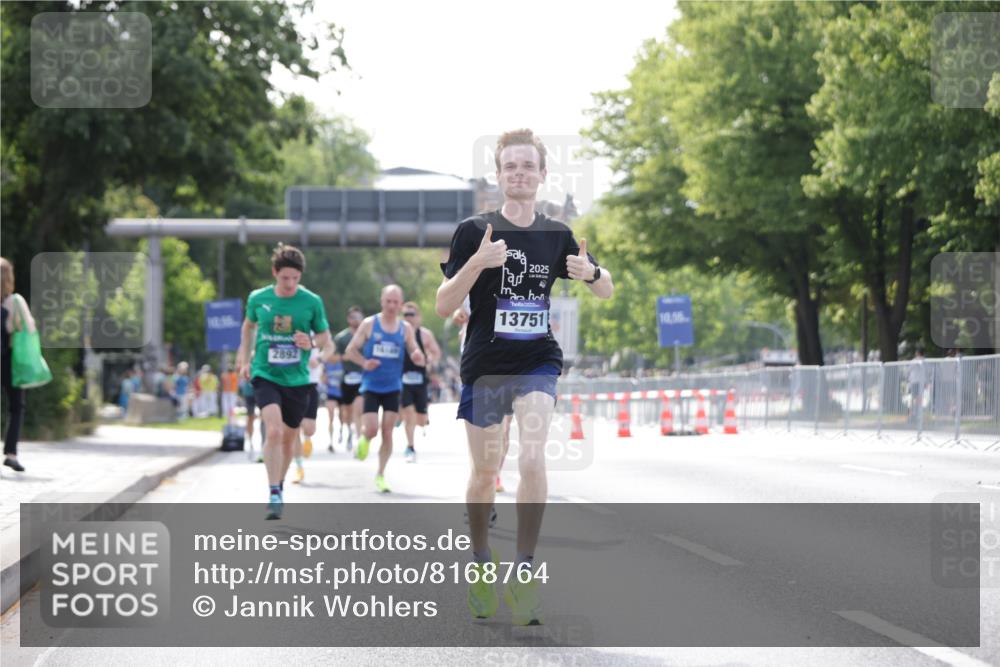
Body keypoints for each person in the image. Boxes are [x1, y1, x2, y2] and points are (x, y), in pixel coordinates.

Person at [435, 129, 613, 625]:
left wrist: (591, 275)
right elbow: (444, 303)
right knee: (484, 475)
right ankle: (480, 565)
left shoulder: (556, 234)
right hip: (485, 366)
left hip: (537, 360)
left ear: (542, 174)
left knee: (532, 455)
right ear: (498, 175)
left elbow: (607, 290)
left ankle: (526, 572)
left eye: (527, 166)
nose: (518, 173)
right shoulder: (475, 230)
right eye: (510, 166)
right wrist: (477, 263)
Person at [235, 244, 334, 520]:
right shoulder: (258, 298)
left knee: (290, 439)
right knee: (274, 432)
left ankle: (279, 483)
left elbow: (328, 343)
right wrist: (243, 358)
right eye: (284, 278)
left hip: (298, 379)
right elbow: (248, 326)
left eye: (295, 278)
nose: (290, 284)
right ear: (275, 273)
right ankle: (273, 491)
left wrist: (312, 344)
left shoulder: (312, 302)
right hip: (265, 373)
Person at [344, 285, 425, 493]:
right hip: (371, 385)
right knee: (371, 428)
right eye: (388, 301)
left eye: (395, 302)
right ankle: (364, 438)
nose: (391, 305)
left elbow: (414, 348)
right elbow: (350, 350)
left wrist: (416, 355)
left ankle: (380, 474)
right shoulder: (370, 324)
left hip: (393, 386)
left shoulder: (405, 328)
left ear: (400, 303)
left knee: (387, 431)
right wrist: (364, 363)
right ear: (382, 301)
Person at [400, 302, 442, 462]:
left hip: (420, 379)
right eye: (406, 315)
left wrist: (428, 361)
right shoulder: (398, 332)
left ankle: (422, 416)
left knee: (421, 419)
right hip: (403, 379)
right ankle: (410, 447)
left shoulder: (425, 335)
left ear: (418, 317)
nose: (409, 318)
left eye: (412, 315)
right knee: (408, 413)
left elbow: (436, 353)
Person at [1, 257, 31, 472]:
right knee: (16, 406)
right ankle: (11, 454)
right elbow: (26, 327)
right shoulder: (14, 302)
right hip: (9, 359)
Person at [334, 306, 365, 452]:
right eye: (353, 317)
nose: (356, 320)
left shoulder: (367, 335)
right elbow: (330, 357)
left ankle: (359, 440)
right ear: (348, 319)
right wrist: (343, 357)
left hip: (363, 377)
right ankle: (349, 432)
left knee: (358, 409)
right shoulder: (341, 338)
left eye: (359, 317)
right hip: (346, 377)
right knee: (347, 411)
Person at [292, 341, 324, 483]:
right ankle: (299, 468)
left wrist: (319, 359)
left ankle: (308, 438)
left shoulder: (316, 330)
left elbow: (330, 346)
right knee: (294, 429)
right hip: (291, 383)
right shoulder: (288, 330)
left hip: (310, 384)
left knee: (309, 429)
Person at [324, 356, 345, 451]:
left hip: (342, 393)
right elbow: (322, 379)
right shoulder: (326, 364)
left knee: (342, 417)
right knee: (331, 417)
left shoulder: (342, 363)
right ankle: (331, 441)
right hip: (330, 393)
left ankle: (341, 431)